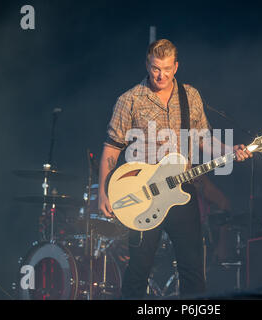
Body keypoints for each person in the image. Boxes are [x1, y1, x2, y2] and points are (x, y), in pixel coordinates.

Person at [98, 39, 252, 299]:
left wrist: (230, 150)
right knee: (138, 270)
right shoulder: (130, 100)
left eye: (167, 68)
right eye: (156, 68)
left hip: (182, 191)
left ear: (176, 67)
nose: (162, 75)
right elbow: (111, 150)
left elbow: (204, 139)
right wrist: (103, 192)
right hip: (144, 195)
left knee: (193, 271)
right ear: (147, 65)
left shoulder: (189, 96)